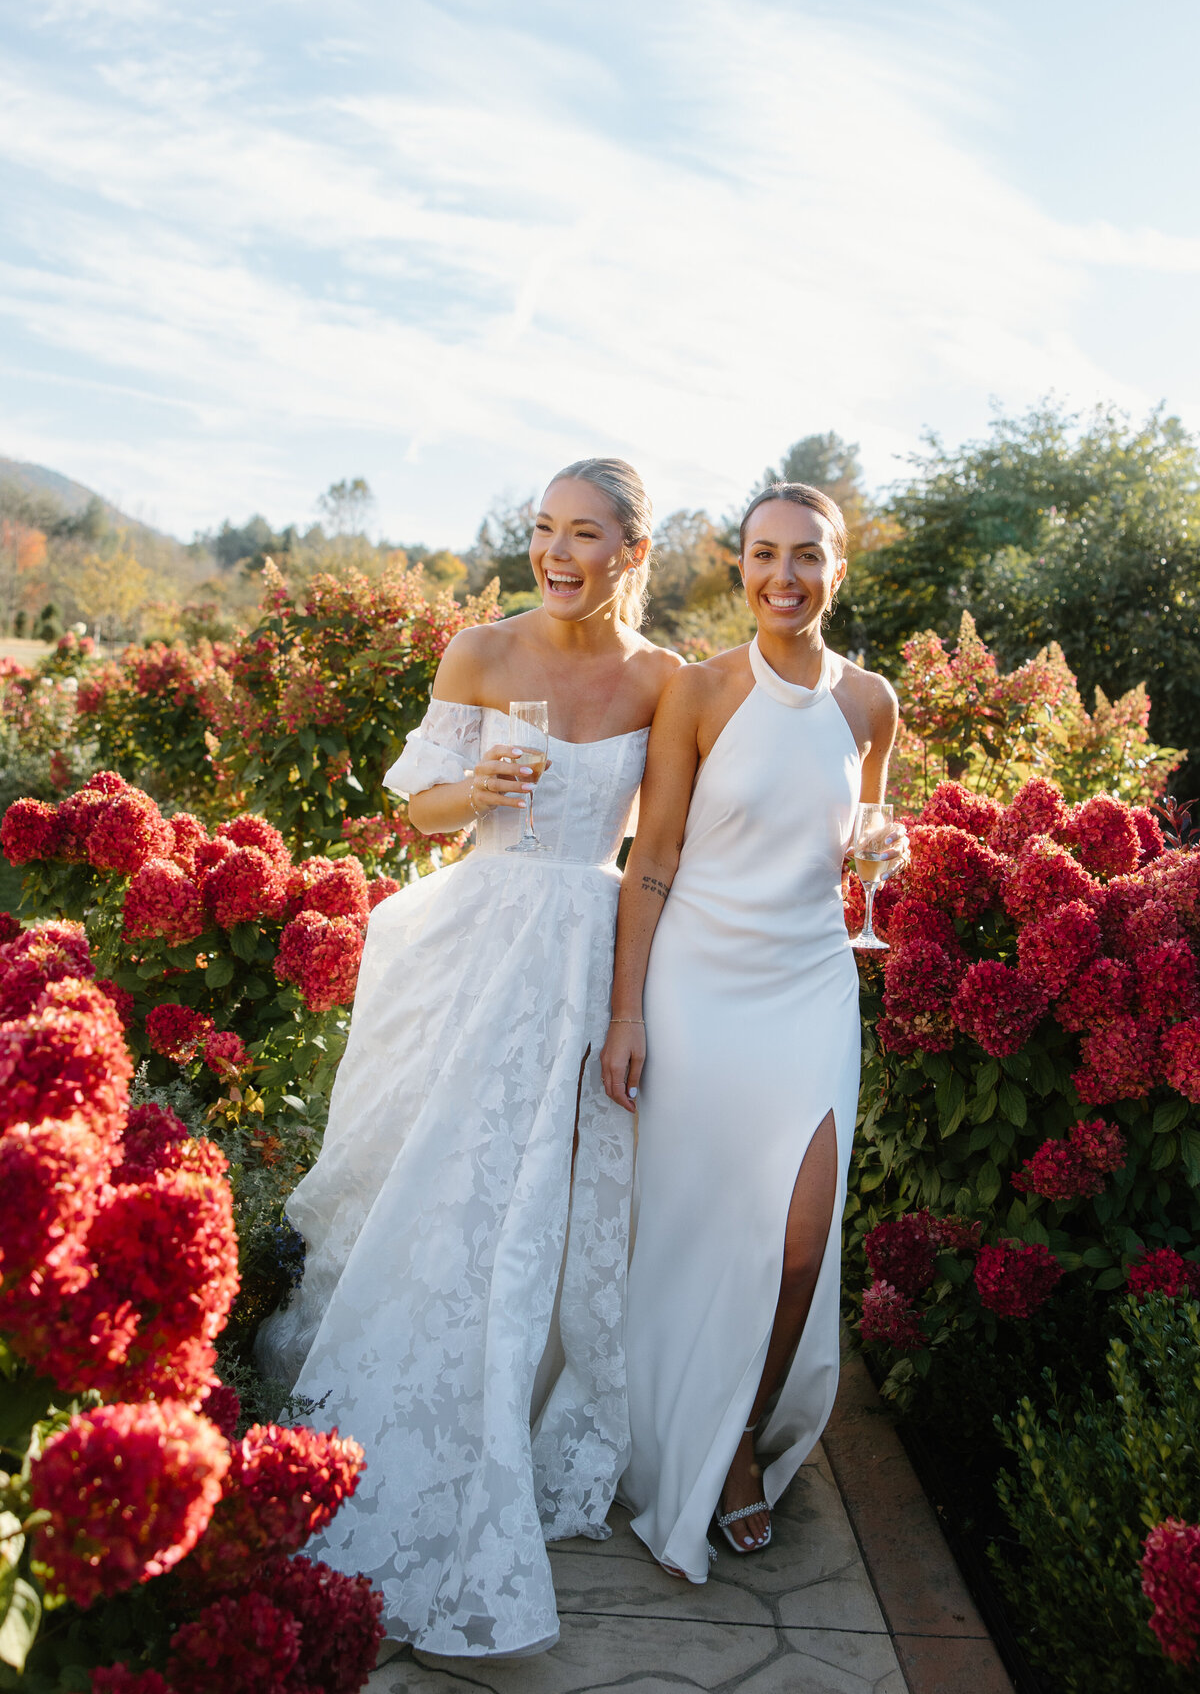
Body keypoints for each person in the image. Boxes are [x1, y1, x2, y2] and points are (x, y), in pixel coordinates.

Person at [257, 458, 680, 1656]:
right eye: (543, 528)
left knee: (536, 1195)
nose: (556, 551)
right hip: (474, 936)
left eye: (585, 534)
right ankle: (389, 1417)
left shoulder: (666, 683)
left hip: (583, 956)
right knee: (436, 1178)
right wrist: (474, 789)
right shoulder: (481, 654)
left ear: (631, 553)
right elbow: (420, 813)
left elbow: (665, 849)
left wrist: (640, 999)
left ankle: (514, 1420)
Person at [600, 482, 900, 1581]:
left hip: (812, 983)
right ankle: (686, 1427)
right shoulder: (700, 691)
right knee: (695, 1227)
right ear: (738, 567)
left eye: (807, 555)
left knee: (800, 1241)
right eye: (764, 554)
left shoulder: (871, 703)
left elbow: (861, 844)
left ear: (838, 569)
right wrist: (627, 1012)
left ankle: (738, 1433)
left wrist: (880, 864)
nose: (785, 575)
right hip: (696, 985)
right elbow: (654, 860)